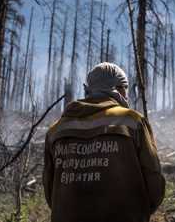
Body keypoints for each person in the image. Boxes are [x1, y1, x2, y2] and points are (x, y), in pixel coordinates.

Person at [42, 62, 165, 222]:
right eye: (126, 89)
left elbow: (49, 187)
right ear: (119, 88)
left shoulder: (56, 130)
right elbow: (154, 177)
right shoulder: (132, 121)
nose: (126, 96)